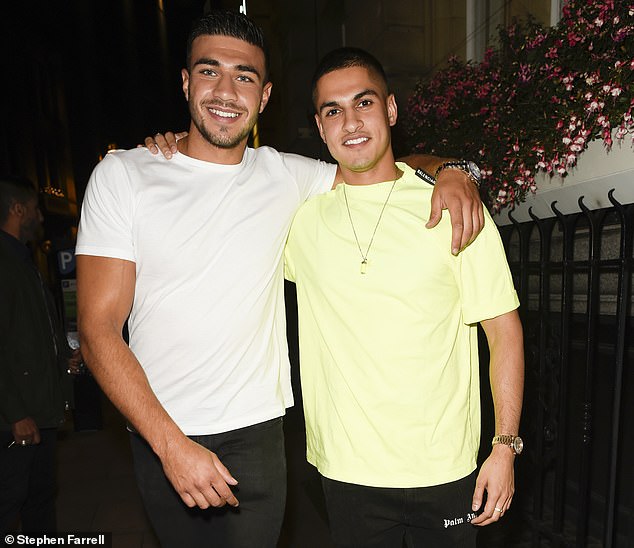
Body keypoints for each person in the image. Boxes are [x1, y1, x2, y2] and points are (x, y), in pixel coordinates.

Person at [76, 10, 483, 548]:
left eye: (244, 76)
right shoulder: (124, 175)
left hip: (260, 436)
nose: (226, 90)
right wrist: (170, 446)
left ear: (264, 96)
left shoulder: (288, 175)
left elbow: (377, 161)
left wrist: (456, 169)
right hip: (164, 432)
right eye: (209, 71)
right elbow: (98, 329)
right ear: (184, 81)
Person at [283, 47, 524, 547]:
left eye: (363, 103)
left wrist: (503, 449)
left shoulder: (454, 205)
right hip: (347, 473)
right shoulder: (300, 223)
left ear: (390, 110)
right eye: (333, 110)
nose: (350, 122)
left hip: (447, 468)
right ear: (320, 126)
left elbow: (502, 330)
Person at [0, 176, 80, 534]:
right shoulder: (6, 264)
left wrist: (62, 359)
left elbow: (31, 330)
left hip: (39, 411)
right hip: (20, 418)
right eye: (34, 209)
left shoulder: (22, 260)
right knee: (11, 500)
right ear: (17, 209)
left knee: (40, 496)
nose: (41, 218)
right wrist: (16, 414)